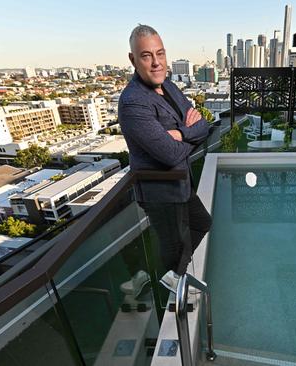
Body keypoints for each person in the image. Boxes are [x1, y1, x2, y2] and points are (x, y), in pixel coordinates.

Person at [118, 24, 212, 292]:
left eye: (160, 53)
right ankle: (174, 292)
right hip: (159, 190)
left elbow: (203, 125)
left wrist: (179, 133)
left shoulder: (168, 85)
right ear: (133, 60)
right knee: (173, 246)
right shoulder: (133, 102)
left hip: (180, 183)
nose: (156, 62)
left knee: (202, 223)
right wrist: (190, 132)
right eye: (147, 55)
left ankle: (171, 275)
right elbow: (169, 155)